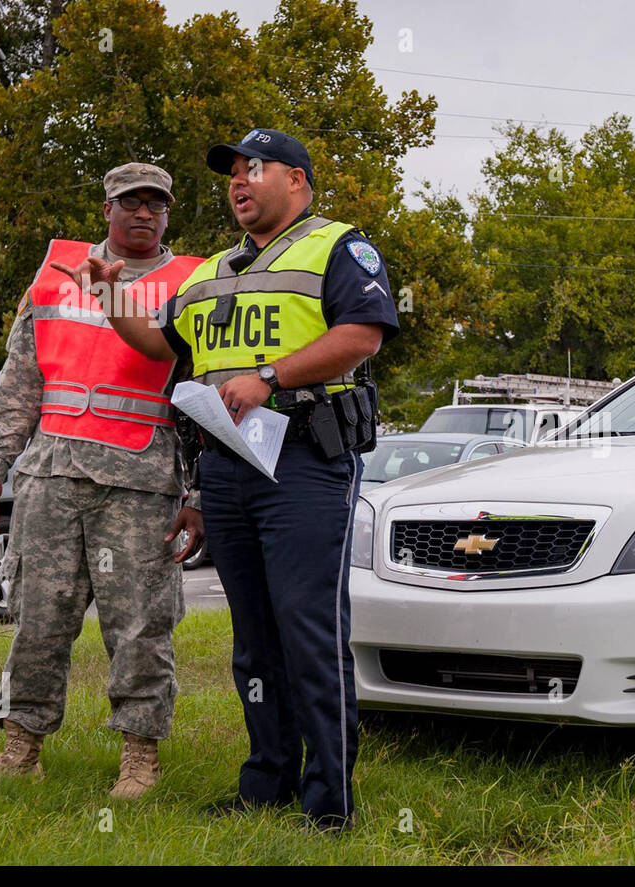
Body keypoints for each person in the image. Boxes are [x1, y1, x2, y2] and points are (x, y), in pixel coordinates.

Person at [58, 130, 399, 830]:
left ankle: (330, 803)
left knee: (309, 631)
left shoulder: (338, 246)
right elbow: (161, 344)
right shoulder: (209, 270)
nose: (239, 182)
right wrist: (109, 293)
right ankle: (265, 781)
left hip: (306, 461)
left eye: (256, 169)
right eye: (233, 173)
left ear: (297, 181)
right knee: (254, 641)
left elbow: (362, 334)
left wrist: (268, 378)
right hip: (228, 470)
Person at [0, 163, 206, 799]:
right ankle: (20, 750)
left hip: (142, 484)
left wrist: (199, 492)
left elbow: (206, 395)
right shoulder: (54, 275)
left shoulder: (194, 284)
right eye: (131, 202)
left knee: (141, 627)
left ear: (168, 213)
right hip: (50, 477)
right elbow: (21, 379)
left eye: (157, 204)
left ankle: (139, 759)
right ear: (107, 208)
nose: (144, 214)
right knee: (37, 620)